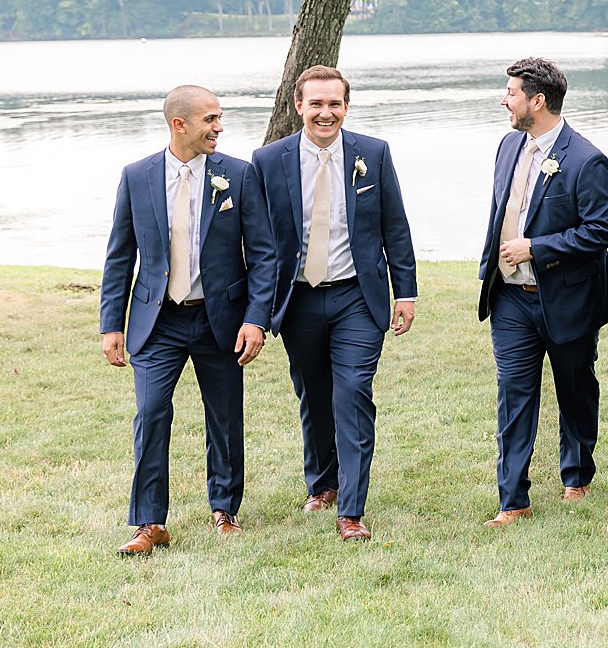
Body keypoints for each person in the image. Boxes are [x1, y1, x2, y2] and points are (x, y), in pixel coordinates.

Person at [99, 85, 276, 555]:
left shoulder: (238, 174)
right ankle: (149, 524)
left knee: (224, 418)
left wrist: (256, 319)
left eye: (219, 119)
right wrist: (111, 325)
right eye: (210, 120)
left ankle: (225, 510)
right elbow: (120, 257)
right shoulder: (137, 176)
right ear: (180, 125)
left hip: (220, 320)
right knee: (151, 414)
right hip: (157, 322)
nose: (219, 127)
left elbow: (263, 254)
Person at [252, 65, 417, 543]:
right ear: (298, 106)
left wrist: (404, 291)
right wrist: (257, 312)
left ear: (347, 105)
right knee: (313, 395)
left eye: (335, 104)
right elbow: (259, 243)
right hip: (298, 298)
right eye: (317, 104)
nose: (326, 113)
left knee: (352, 394)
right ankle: (320, 483)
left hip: (356, 298)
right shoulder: (267, 161)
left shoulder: (374, 154)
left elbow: (396, 227)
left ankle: (351, 509)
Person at [477, 57, 608, 528]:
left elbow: (601, 231)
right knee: (513, 395)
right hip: (510, 298)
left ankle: (576, 474)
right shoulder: (507, 145)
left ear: (537, 101)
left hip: (567, 296)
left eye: (511, 93)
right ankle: (512, 499)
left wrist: (536, 247)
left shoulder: (587, 159)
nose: (504, 100)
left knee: (575, 389)